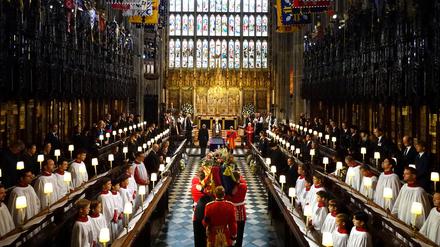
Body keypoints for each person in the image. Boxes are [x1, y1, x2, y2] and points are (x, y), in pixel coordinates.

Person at [226, 171, 247, 247]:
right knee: (240, 230)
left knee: (230, 229)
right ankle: (239, 244)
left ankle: (230, 243)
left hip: (231, 210)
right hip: (241, 209)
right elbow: (241, 181)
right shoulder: (243, 186)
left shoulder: (228, 189)